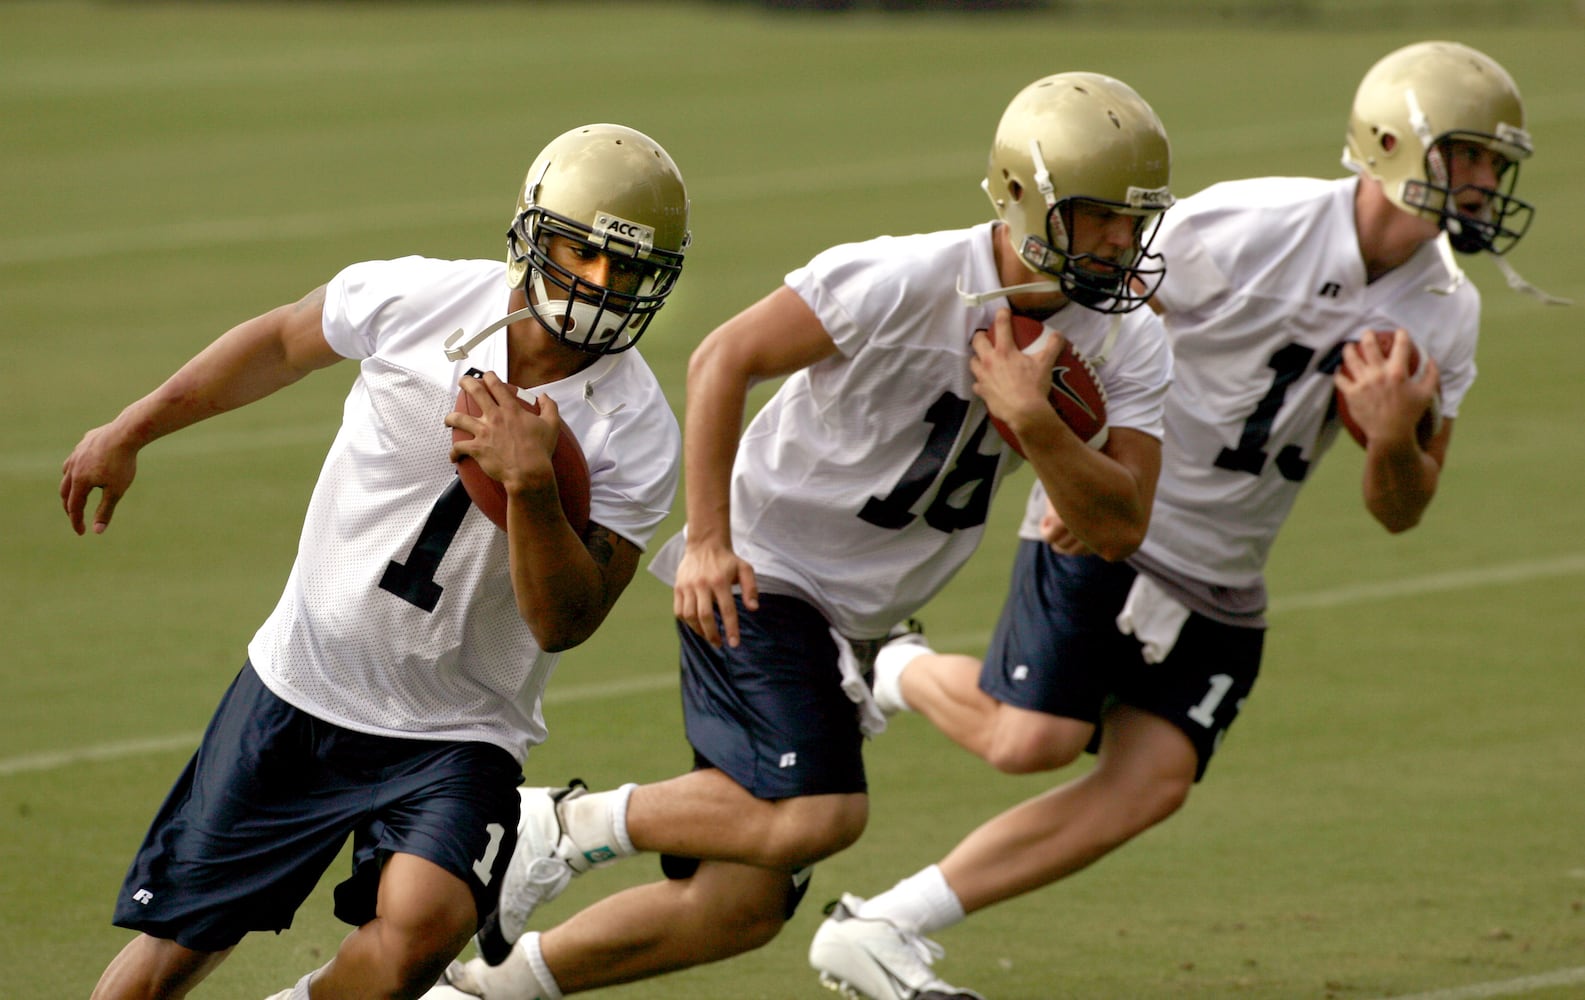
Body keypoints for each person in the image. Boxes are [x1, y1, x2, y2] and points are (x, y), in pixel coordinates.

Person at [807, 40, 1561, 999]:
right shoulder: (1250, 225)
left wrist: (1389, 438)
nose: (1488, 183)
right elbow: (1094, 306)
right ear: (1388, 142)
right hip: (1120, 524)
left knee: (1150, 782)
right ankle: (890, 664)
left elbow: (1401, 513)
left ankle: (879, 927)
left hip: (1227, 566)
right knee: (1027, 741)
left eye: (1497, 164)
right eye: (1473, 157)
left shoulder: (1447, 309)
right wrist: (1068, 458)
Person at [431, 73, 1176, 1000]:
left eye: (1135, 218)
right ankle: (560, 826)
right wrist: (708, 540)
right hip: (768, 574)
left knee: (737, 908)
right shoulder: (907, 278)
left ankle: (471, 994)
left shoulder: (1130, 339)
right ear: (1026, 198)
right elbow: (722, 358)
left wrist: (1038, 426)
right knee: (822, 811)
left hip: (862, 616)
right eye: (1100, 215)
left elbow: (1118, 521)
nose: (1122, 240)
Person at [60, 122, 692, 1000]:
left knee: (419, 935)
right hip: (302, 683)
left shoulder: (639, 428)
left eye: (625, 270)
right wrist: (134, 426)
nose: (597, 286)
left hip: (458, 729)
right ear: (529, 235)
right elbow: (282, 341)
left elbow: (564, 621)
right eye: (577, 256)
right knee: (172, 952)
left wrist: (532, 488)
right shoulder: (419, 298)